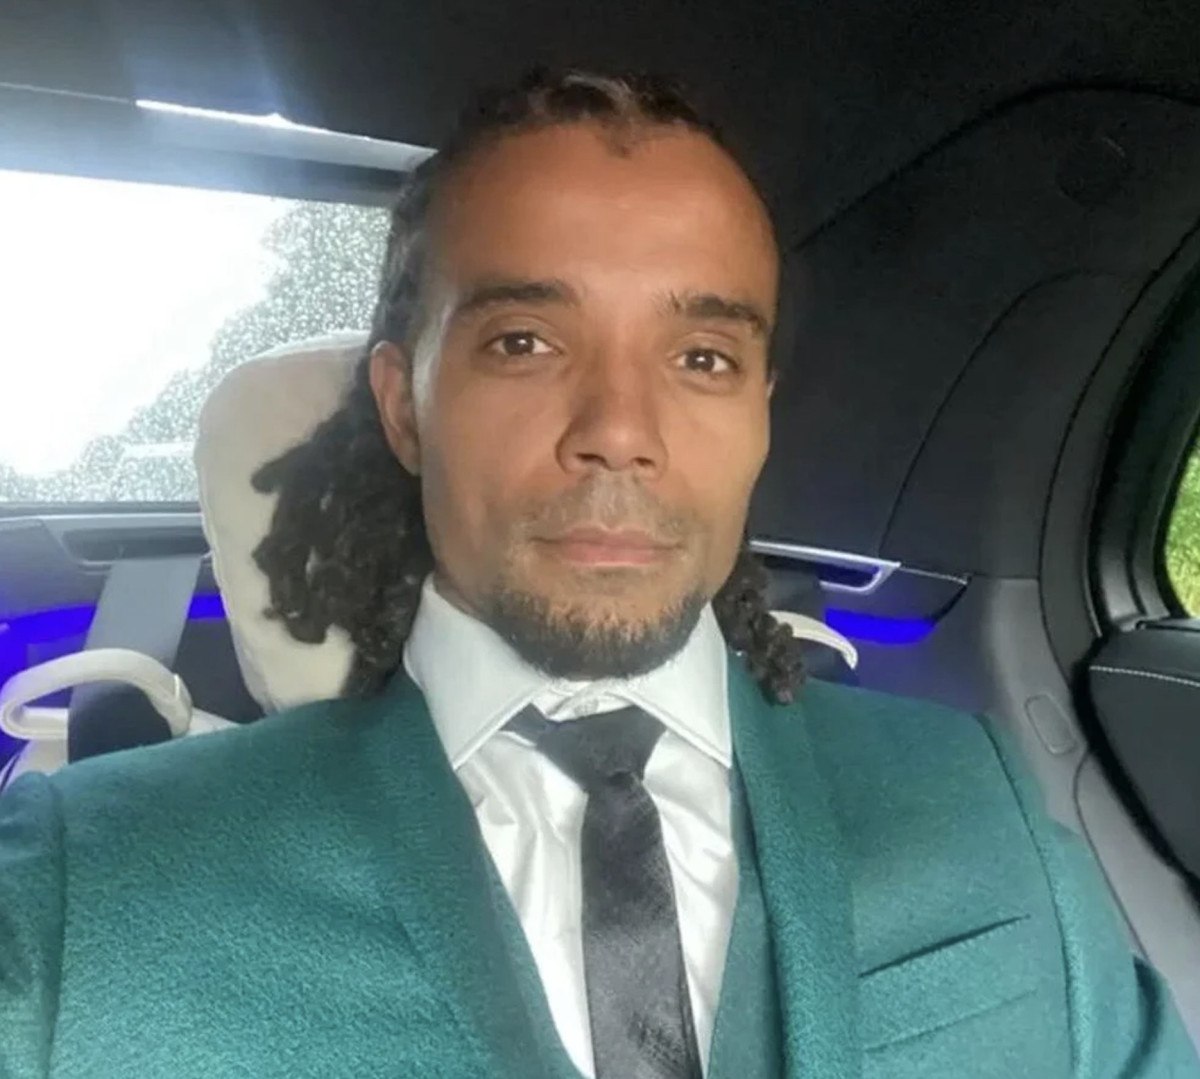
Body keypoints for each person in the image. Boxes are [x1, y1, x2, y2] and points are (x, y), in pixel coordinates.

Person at [0, 69, 1196, 1079]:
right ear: (405, 408)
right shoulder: (78, 884)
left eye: (703, 355)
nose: (620, 427)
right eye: (525, 342)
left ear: (761, 415)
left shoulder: (978, 797)